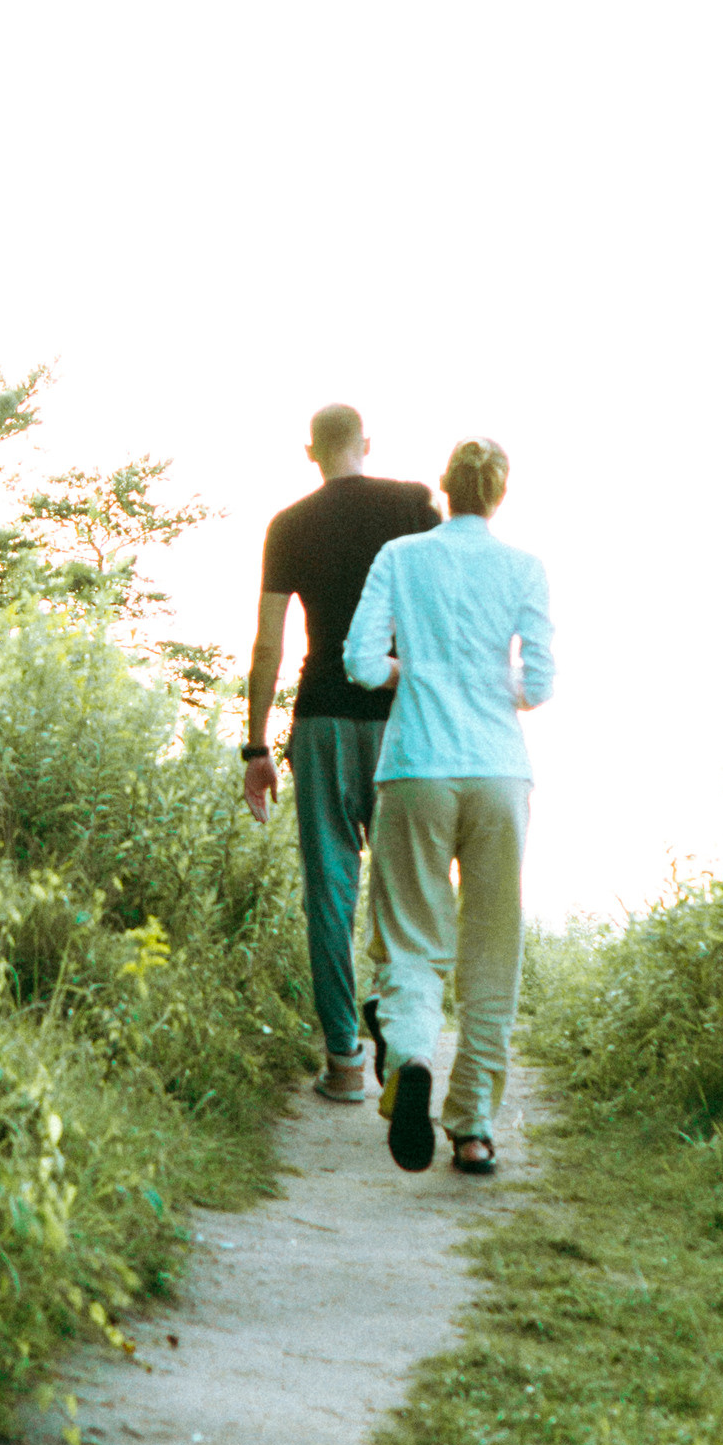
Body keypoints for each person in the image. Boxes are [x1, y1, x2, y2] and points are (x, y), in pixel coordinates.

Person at [343, 436, 554, 1180]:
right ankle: (472, 1131)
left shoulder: (400, 557)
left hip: (416, 769)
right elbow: (539, 684)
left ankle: (406, 1057)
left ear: (445, 488)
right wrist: (494, 683)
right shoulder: (524, 568)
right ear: (497, 493)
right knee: (492, 950)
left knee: (410, 940)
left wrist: (417, 668)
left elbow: (361, 663)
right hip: (499, 773)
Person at [244, 405, 439, 1099]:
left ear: (310, 452)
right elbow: (441, 605)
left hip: (322, 715)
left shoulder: (288, 525)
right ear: (365, 444)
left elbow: (269, 646)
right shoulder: (414, 504)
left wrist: (254, 747)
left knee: (328, 890)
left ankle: (344, 1065)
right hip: (399, 718)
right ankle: (400, 1027)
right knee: (401, 888)